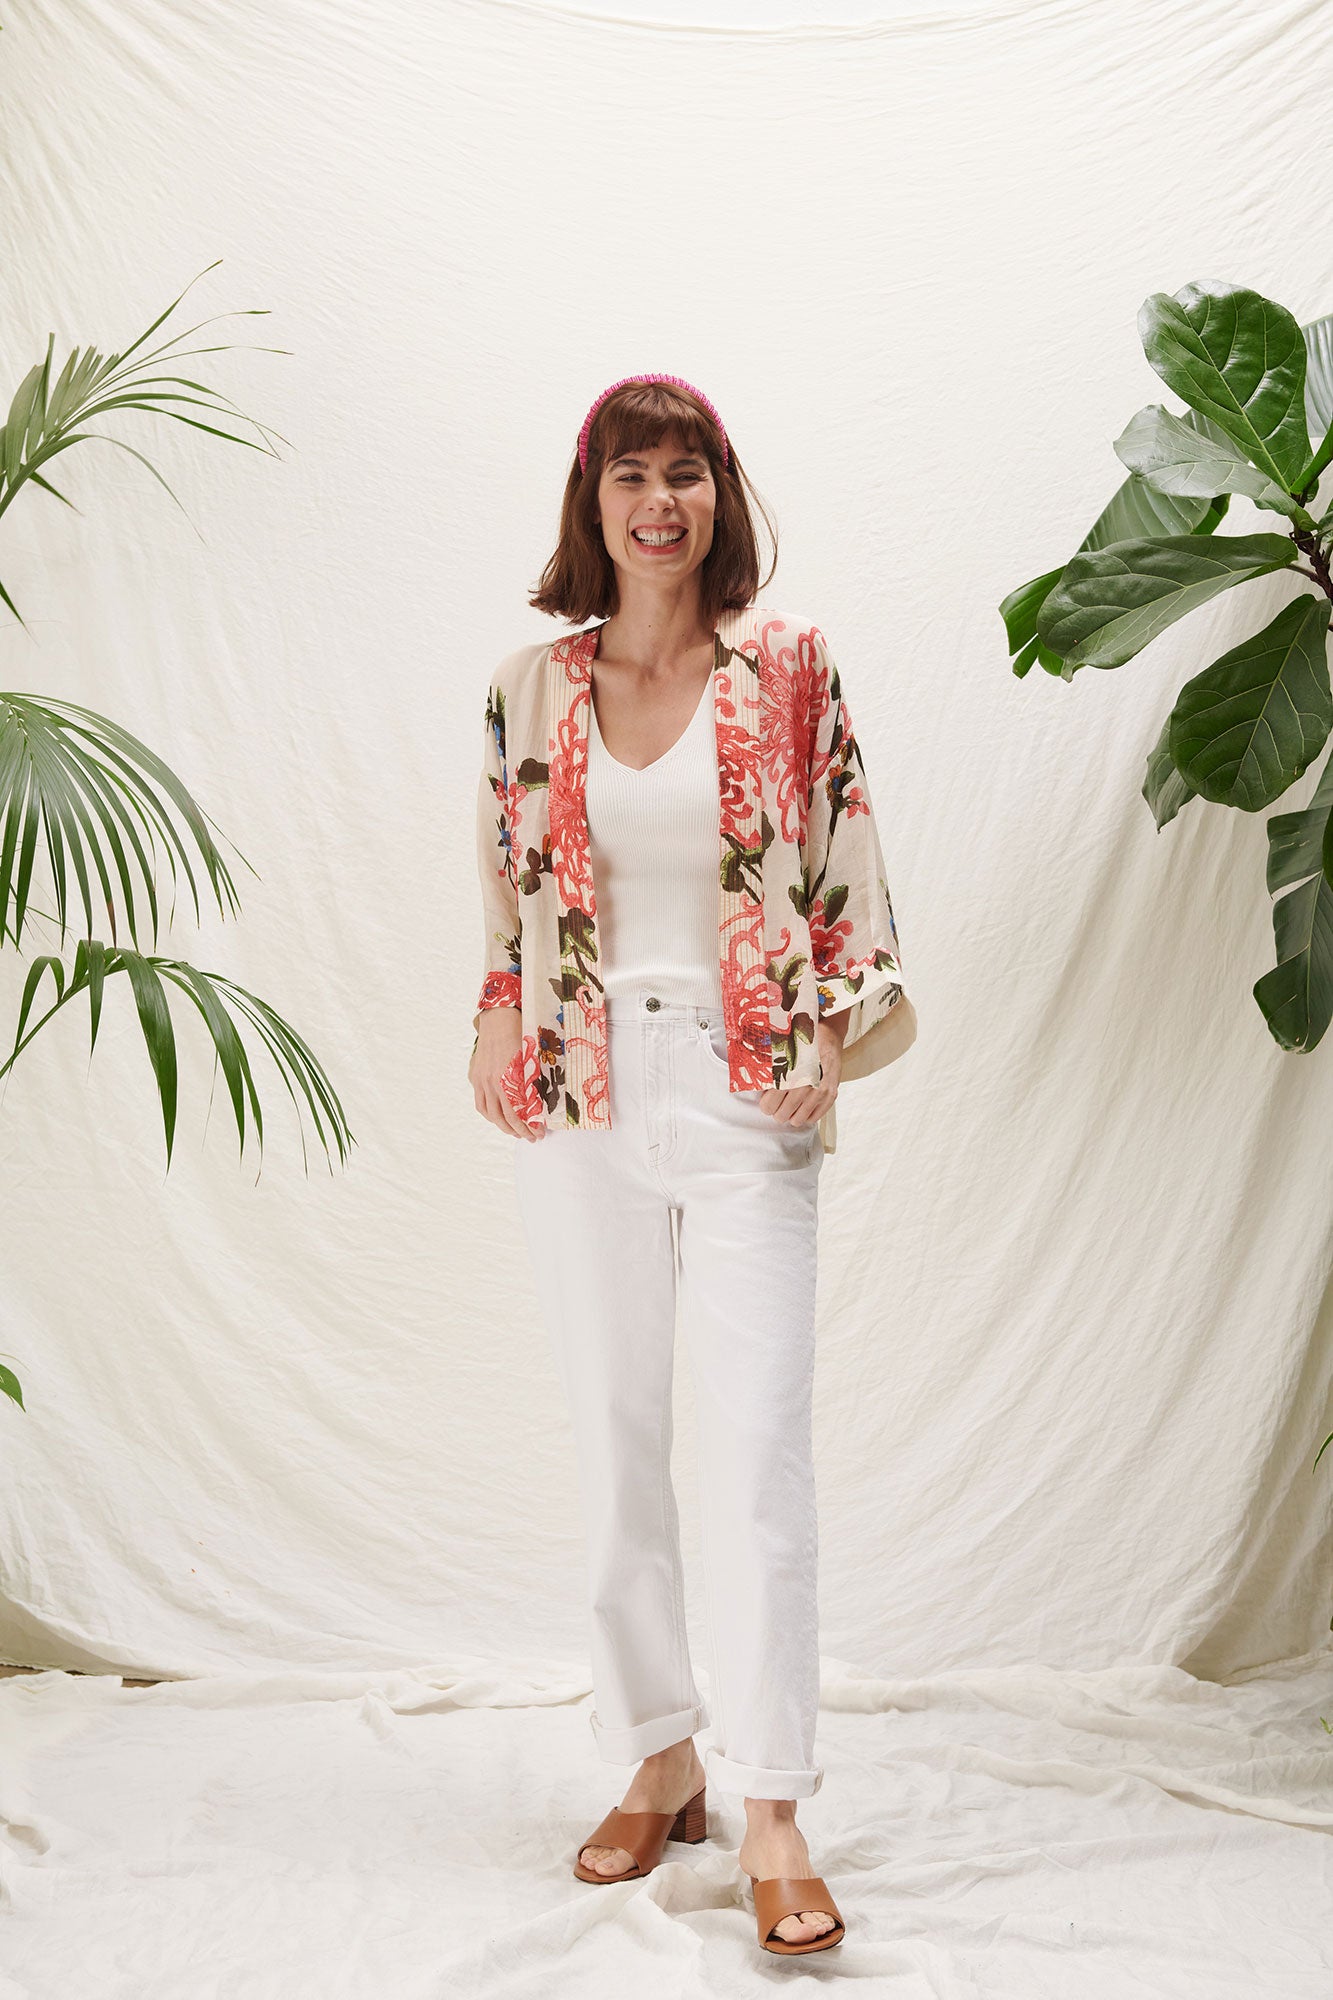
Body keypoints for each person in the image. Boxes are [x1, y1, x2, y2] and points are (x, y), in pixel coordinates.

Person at [468, 374, 917, 1958]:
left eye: (686, 474)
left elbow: (846, 856)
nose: (659, 503)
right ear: (589, 502)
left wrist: (827, 1032)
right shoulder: (529, 688)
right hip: (585, 1088)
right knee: (615, 1433)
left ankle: (772, 1803)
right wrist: (497, 1020)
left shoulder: (784, 666)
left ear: (719, 494)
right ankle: (659, 1754)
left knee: (756, 1450)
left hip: (744, 1085)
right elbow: (506, 884)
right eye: (631, 476)